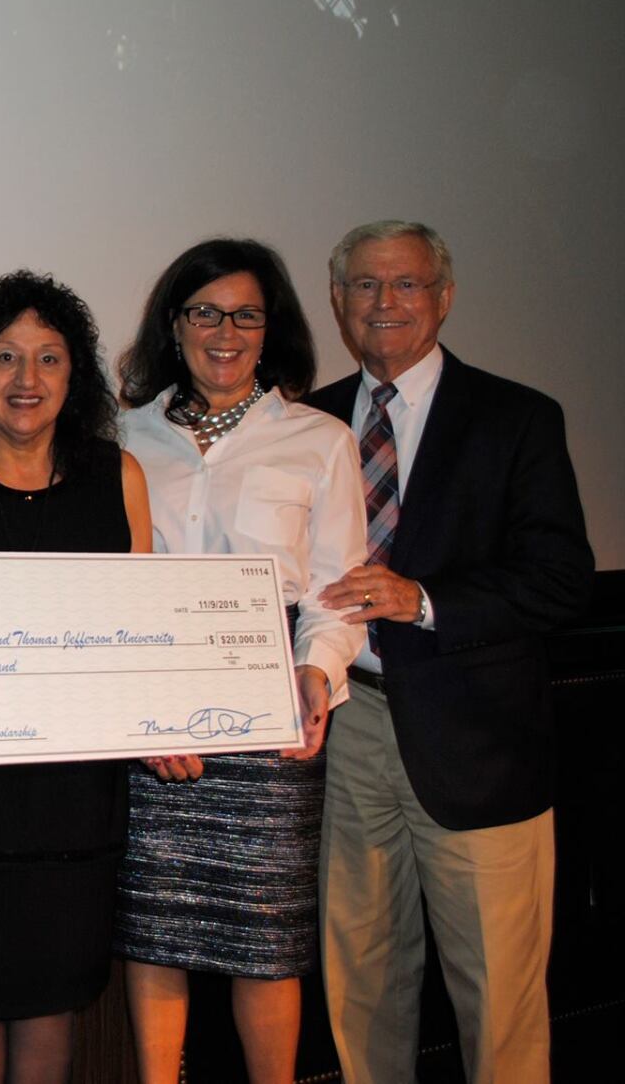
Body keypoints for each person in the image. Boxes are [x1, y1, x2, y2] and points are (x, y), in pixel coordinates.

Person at [307, 221, 591, 1084]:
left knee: (499, 1005)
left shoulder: (517, 419)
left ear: (444, 297)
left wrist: (422, 600)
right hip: (349, 734)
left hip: (480, 753)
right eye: (364, 286)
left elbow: (560, 580)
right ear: (339, 303)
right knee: (361, 990)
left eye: (405, 284)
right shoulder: (310, 422)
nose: (383, 303)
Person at [111, 238, 366, 1084]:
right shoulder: (122, 435)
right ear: (173, 325)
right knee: (157, 931)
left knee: (267, 942)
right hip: (157, 714)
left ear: (272, 328)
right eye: (205, 312)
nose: (226, 331)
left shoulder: (319, 439)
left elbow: (335, 589)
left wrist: (315, 675)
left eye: (246, 314)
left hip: (272, 719)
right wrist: (139, 708)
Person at [0, 272, 152, 1084]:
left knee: (51, 1004)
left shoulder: (117, 479)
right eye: (6, 356)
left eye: (49, 359)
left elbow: (142, 636)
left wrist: (169, 720)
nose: (26, 380)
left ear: (74, 375)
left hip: (73, 806)